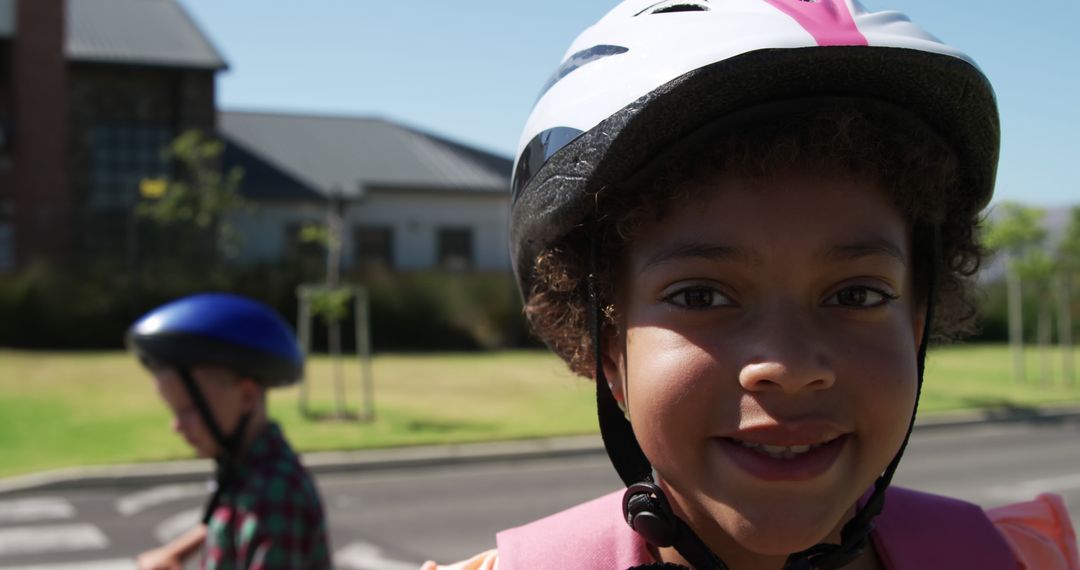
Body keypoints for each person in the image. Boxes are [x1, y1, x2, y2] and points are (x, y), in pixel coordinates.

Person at [424, 0, 1078, 568]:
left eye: (856, 294)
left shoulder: (1024, 559)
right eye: (700, 295)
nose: (789, 369)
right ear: (607, 343)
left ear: (916, 324)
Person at [127, 293, 331, 570]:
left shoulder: (274, 496)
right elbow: (226, 519)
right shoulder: (243, 469)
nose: (176, 426)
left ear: (246, 397)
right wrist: (176, 552)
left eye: (188, 410)